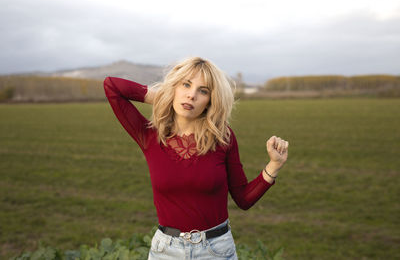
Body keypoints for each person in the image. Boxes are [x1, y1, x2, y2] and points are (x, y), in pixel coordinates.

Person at [103, 56, 289, 260]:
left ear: (211, 100)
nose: (191, 95)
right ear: (174, 87)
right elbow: (112, 86)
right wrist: (165, 98)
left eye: (203, 91)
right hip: (165, 252)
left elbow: (243, 199)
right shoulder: (150, 136)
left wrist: (274, 164)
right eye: (185, 85)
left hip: (216, 251)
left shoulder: (223, 137)